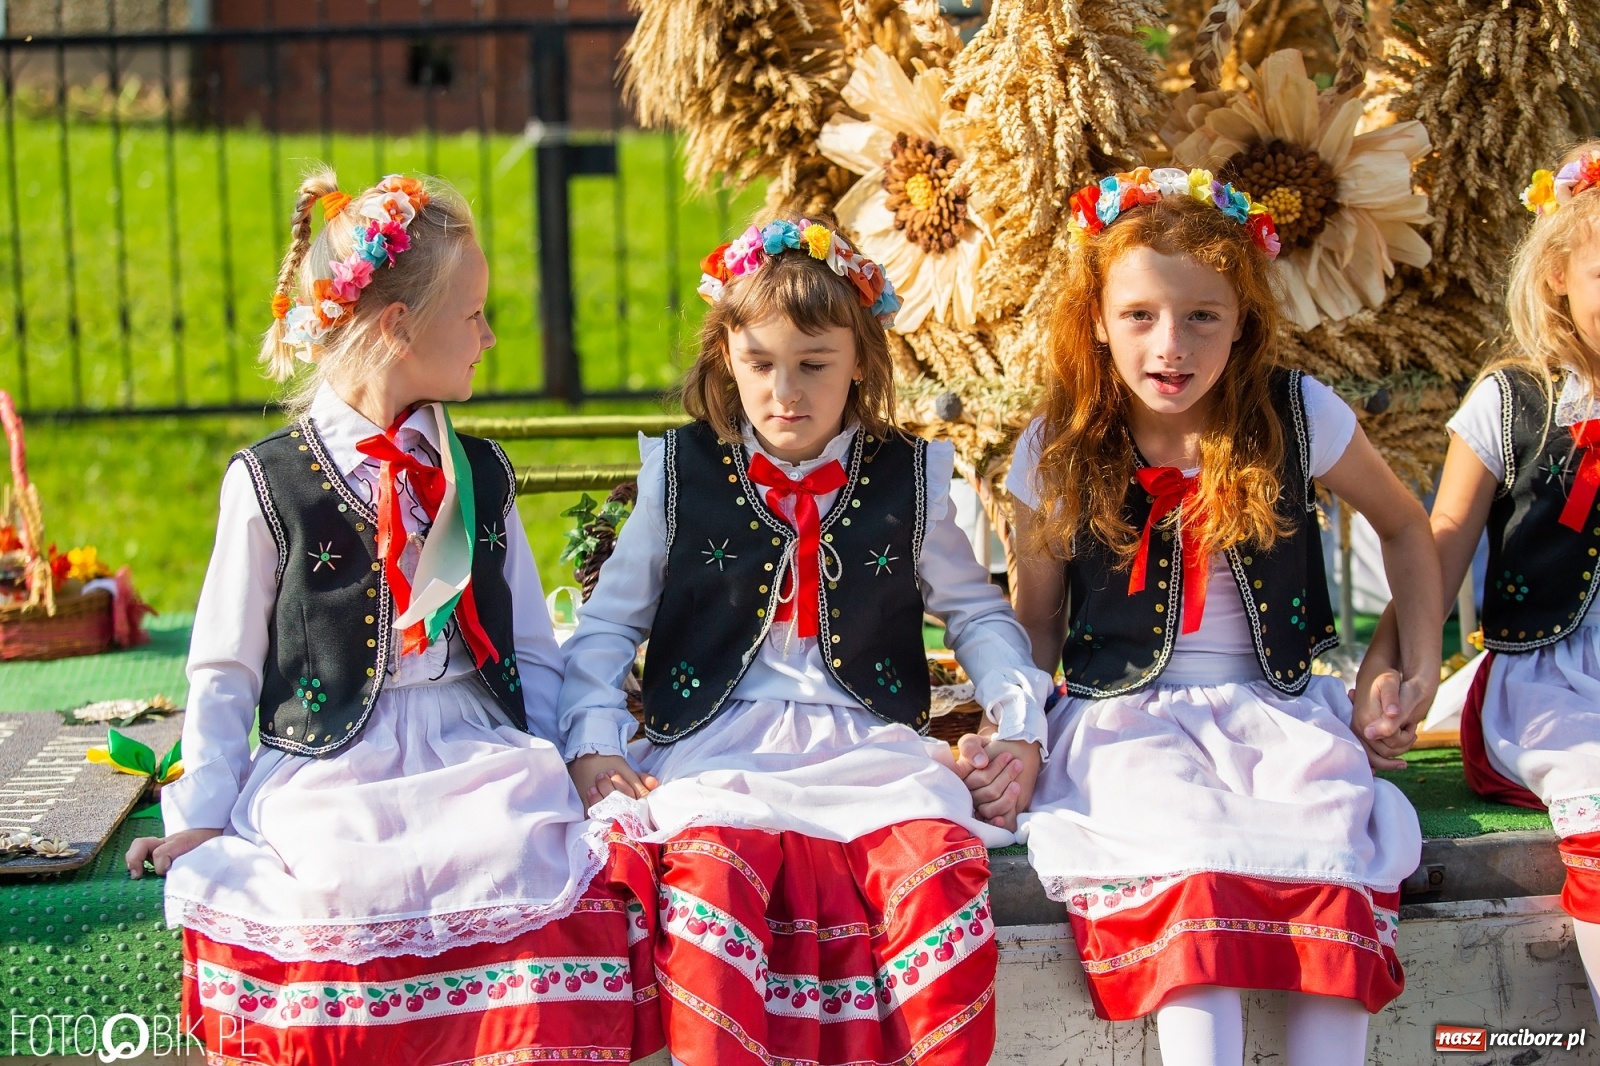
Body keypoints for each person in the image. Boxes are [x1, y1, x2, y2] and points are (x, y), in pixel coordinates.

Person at [125, 170, 662, 1065]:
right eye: (475, 316)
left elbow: (530, 647)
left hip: (474, 747)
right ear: (398, 328)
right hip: (337, 761)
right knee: (342, 880)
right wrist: (204, 814)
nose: (490, 337)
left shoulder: (477, 472)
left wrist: (574, 754)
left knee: (528, 851)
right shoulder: (270, 482)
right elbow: (222, 668)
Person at [555, 217, 1052, 1066]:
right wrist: (593, 742)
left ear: (860, 359)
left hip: (870, 748)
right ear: (726, 361)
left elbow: (977, 612)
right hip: (719, 747)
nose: (786, 391)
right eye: (760, 365)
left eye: (813, 365)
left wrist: (1018, 719)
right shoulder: (680, 476)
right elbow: (606, 627)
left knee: (935, 879)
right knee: (713, 883)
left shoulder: (910, 477)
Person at [1006, 168, 1438, 1066]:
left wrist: (1408, 664)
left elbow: (1404, 523)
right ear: (1096, 316)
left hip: (1276, 712)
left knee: (1327, 843)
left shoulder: (1297, 414)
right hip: (1124, 720)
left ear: (1243, 319)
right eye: (1140, 315)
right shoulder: (1058, 445)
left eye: (1203, 314)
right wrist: (1018, 731)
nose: (1172, 343)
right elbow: (1036, 626)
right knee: (1191, 855)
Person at [1365, 142, 1600, 1019]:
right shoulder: (1518, 399)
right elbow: (1442, 538)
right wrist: (1400, 670)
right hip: (1554, 677)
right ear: (1557, 283)